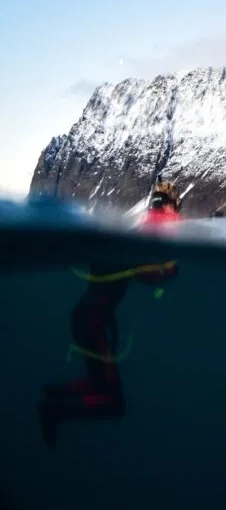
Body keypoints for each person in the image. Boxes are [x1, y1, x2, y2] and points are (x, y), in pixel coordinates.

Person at [36, 180, 183, 452]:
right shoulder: (150, 233)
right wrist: (167, 273)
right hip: (95, 322)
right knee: (112, 403)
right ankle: (52, 409)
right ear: (172, 205)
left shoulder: (139, 232)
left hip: (88, 317)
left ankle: (50, 396)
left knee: (97, 384)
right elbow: (146, 274)